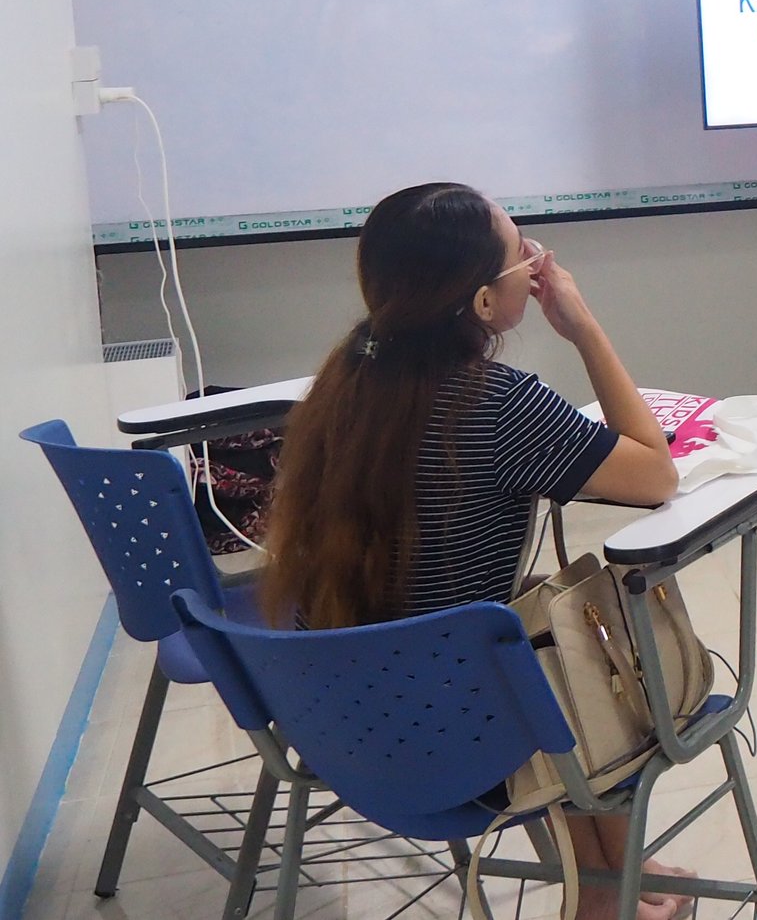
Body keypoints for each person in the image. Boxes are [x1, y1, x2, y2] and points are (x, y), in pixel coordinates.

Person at [260, 182, 693, 920]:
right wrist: (584, 327)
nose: (536, 266)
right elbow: (655, 475)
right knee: (597, 649)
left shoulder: (339, 386)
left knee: (529, 634)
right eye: (522, 256)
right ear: (484, 304)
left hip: (342, 727)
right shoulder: (496, 403)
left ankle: (614, 875)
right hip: (460, 743)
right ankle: (603, 899)